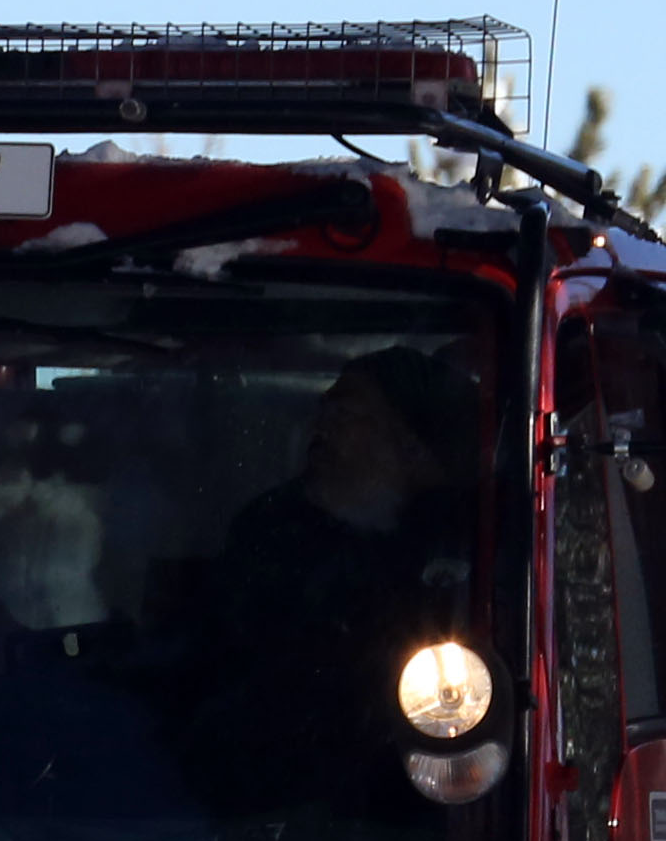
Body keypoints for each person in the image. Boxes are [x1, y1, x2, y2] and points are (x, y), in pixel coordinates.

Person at [170, 342, 486, 809]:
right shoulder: (270, 528)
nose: (324, 425)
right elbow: (225, 658)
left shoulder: (477, 539)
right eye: (326, 410)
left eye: (349, 415)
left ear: (413, 445)